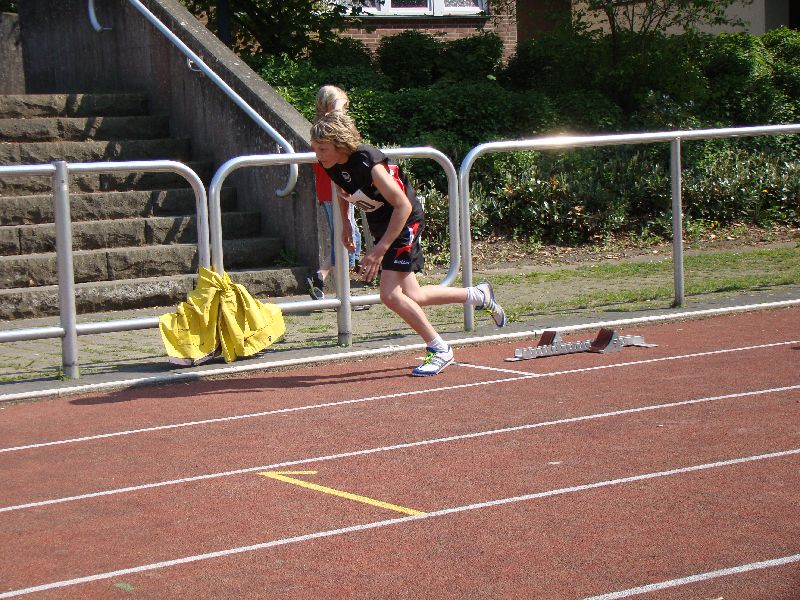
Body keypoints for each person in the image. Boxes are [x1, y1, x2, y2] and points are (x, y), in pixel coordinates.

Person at [310, 111, 506, 376]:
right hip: (381, 222)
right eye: (315, 148)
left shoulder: (369, 164)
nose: (318, 154)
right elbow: (342, 187)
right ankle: (479, 295)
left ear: (340, 144)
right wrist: (346, 222)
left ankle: (439, 349)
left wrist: (379, 250)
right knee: (415, 296)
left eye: (322, 148)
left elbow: (403, 206)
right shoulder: (329, 162)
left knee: (389, 295)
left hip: (405, 220)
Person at [306, 85, 362, 301]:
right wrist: (337, 105)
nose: (345, 109)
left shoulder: (320, 128)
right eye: (343, 105)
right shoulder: (329, 128)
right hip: (335, 191)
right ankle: (343, 294)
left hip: (331, 190)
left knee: (348, 239)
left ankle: (321, 277)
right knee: (347, 241)